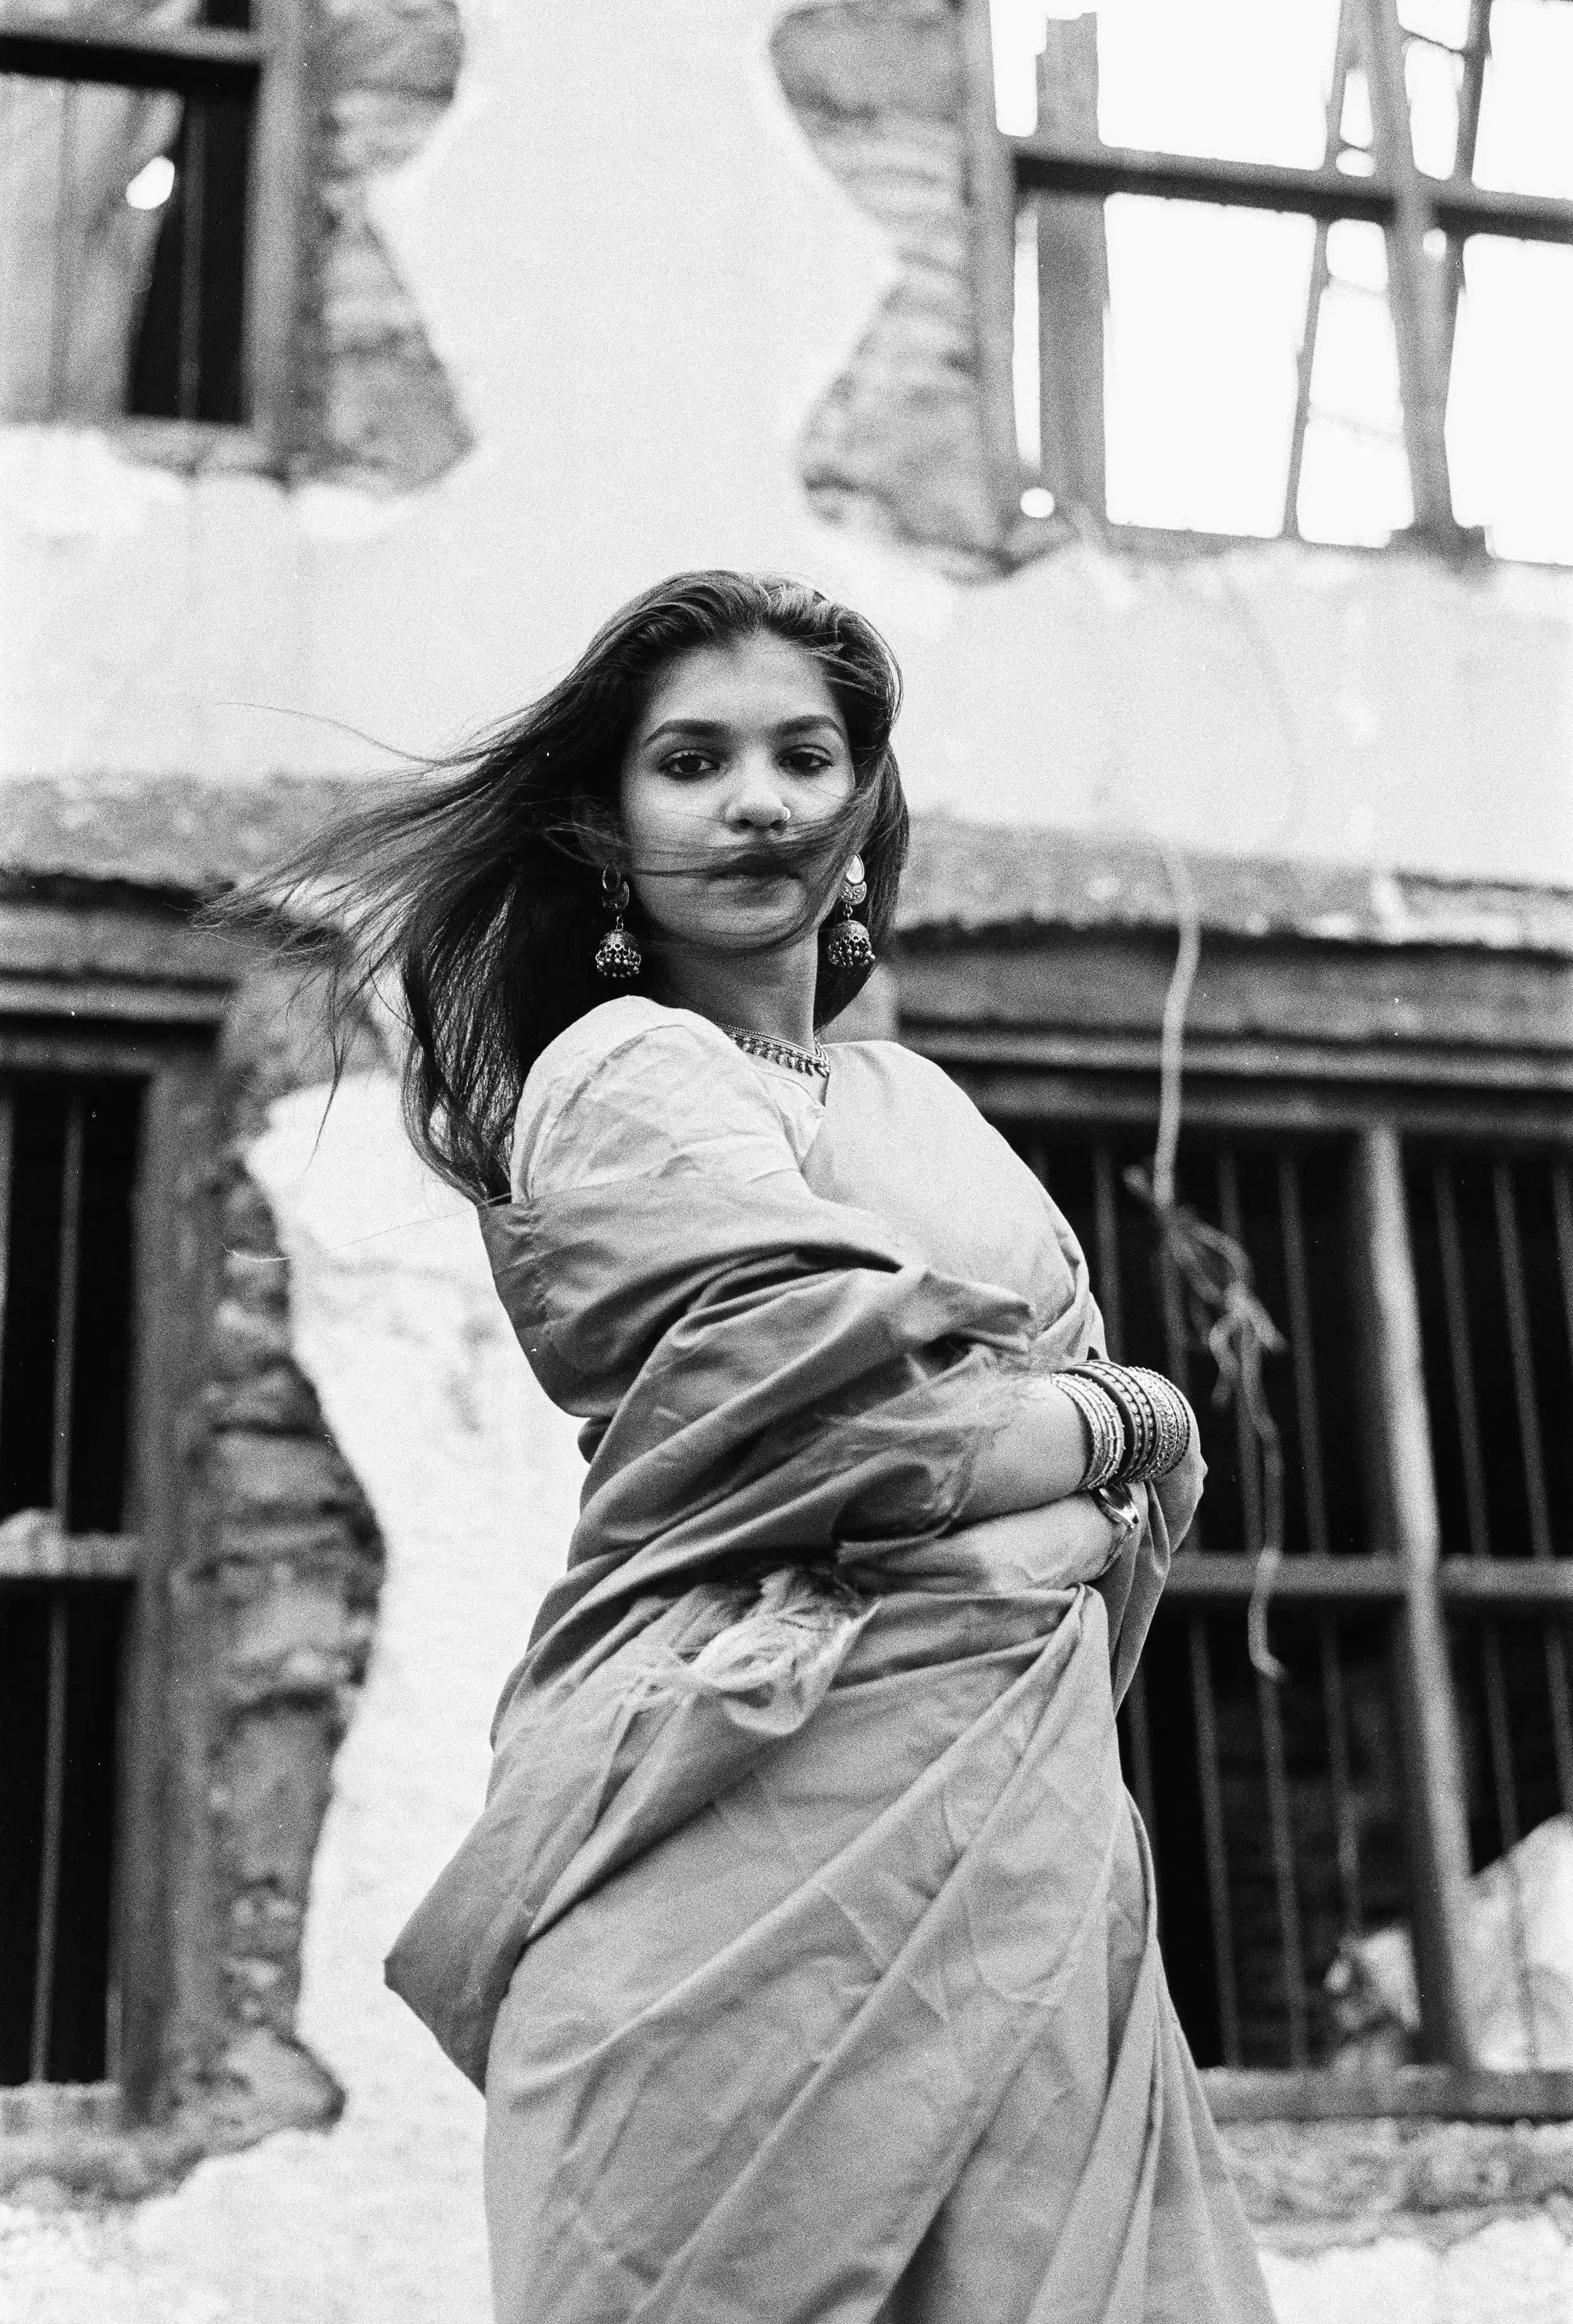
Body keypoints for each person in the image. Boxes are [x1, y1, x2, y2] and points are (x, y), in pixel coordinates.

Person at [250, 571, 1274, 2321]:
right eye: (691, 760)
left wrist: (1061, 1460)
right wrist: (1130, 1415)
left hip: (1016, 1838)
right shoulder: (626, 1073)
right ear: (600, 817)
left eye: (806, 755)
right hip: (738, 1837)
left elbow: (1011, 1474)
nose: (757, 802)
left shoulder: (916, 1108)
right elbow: (851, 1417)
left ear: (864, 800)